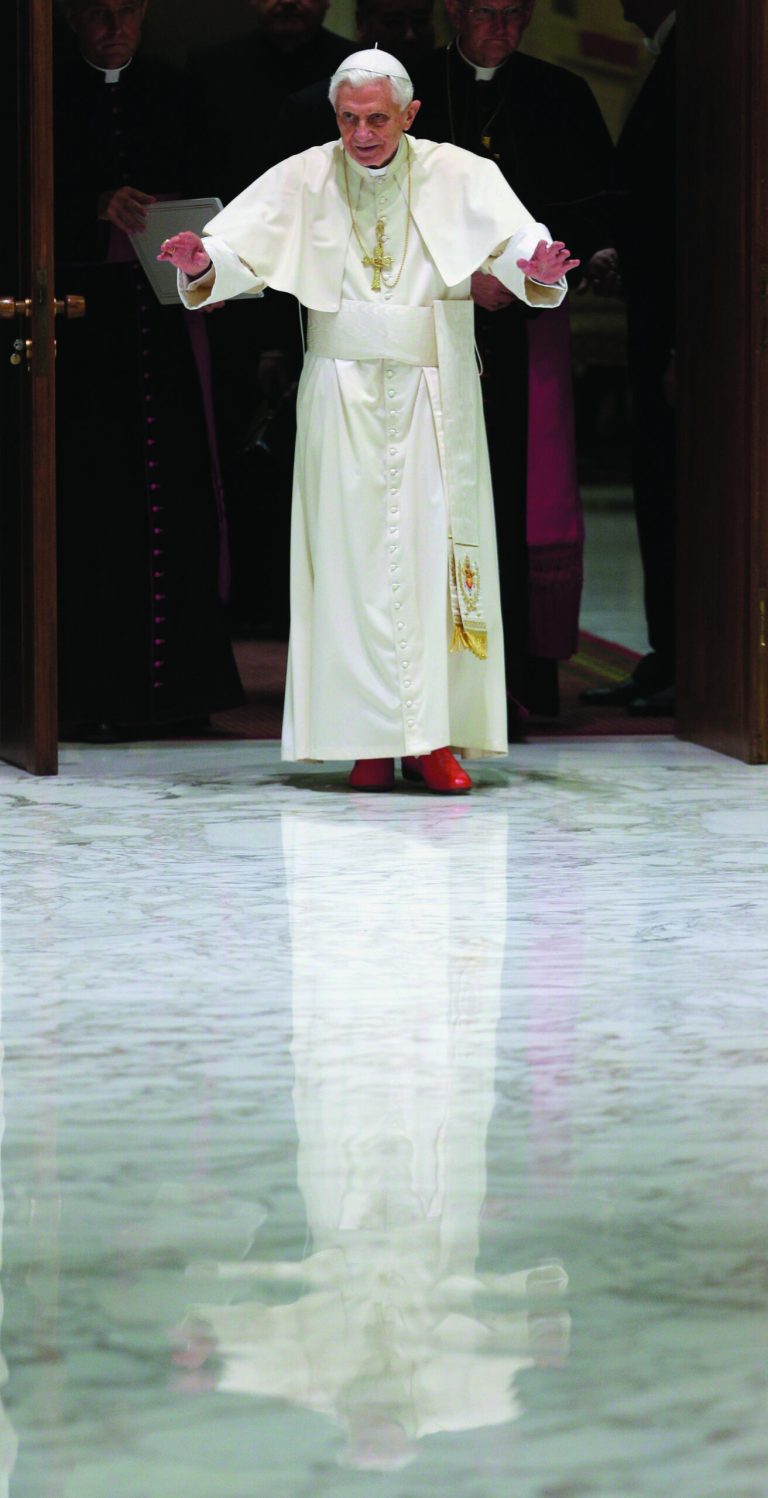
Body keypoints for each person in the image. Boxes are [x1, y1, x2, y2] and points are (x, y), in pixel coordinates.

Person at [160, 50, 577, 794]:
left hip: (432, 396)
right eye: (349, 119)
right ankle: (363, 741)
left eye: (377, 119)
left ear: (409, 115)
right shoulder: (306, 174)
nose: (361, 134)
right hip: (340, 397)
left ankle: (432, 741)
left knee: (428, 564)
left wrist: (535, 268)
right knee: (348, 567)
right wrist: (200, 264)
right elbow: (234, 249)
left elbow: (514, 241)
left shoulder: (458, 174)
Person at [411, 0, 614, 721]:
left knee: (525, 498)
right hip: (432, 328)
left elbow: (595, 210)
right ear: (453, 13)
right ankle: (439, 687)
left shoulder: (562, 94)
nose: (501, 28)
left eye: (513, 13)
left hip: (528, 328)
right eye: (485, 13)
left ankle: (523, 681)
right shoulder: (412, 96)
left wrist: (542, 270)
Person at [53, 0, 243, 738]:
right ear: (71, 19)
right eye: (98, 13)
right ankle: (97, 694)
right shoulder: (45, 100)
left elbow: (219, 201)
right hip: (83, 336)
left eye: (127, 12)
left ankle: (181, 691)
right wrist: (92, 207)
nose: (113, 28)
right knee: (97, 506)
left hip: (164, 332)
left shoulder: (175, 92)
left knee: (178, 499)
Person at [580, 2, 676, 716]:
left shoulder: (704, 66)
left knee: (678, 494)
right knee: (657, 488)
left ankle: (686, 659)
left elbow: (688, 207)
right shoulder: (666, 56)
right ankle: (668, 651)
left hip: (684, 331)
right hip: (655, 314)